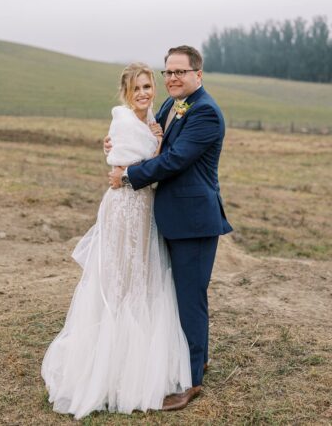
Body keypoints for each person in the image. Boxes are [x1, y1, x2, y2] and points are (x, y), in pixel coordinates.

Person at [41, 63, 192, 420]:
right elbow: (135, 165)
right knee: (120, 281)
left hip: (143, 208)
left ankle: (134, 362)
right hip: (125, 207)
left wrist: (154, 137)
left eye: (147, 86)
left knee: (141, 279)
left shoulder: (151, 117)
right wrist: (153, 143)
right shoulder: (125, 120)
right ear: (126, 92)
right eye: (137, 88)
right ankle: (107, 367)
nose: (144, 93)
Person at [108, 45, 233, 411]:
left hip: (194, 223)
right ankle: (197, 357)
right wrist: (118, 143)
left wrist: (128, 174)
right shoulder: (173, 105)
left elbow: (175, 160)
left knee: (189, 299)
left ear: (198, 73)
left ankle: (191, 380)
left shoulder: (206, 112)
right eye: (169, 72)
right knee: (179, 295)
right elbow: (150, 136)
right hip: (173, 218)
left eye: (180, 72)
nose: (173, 78)